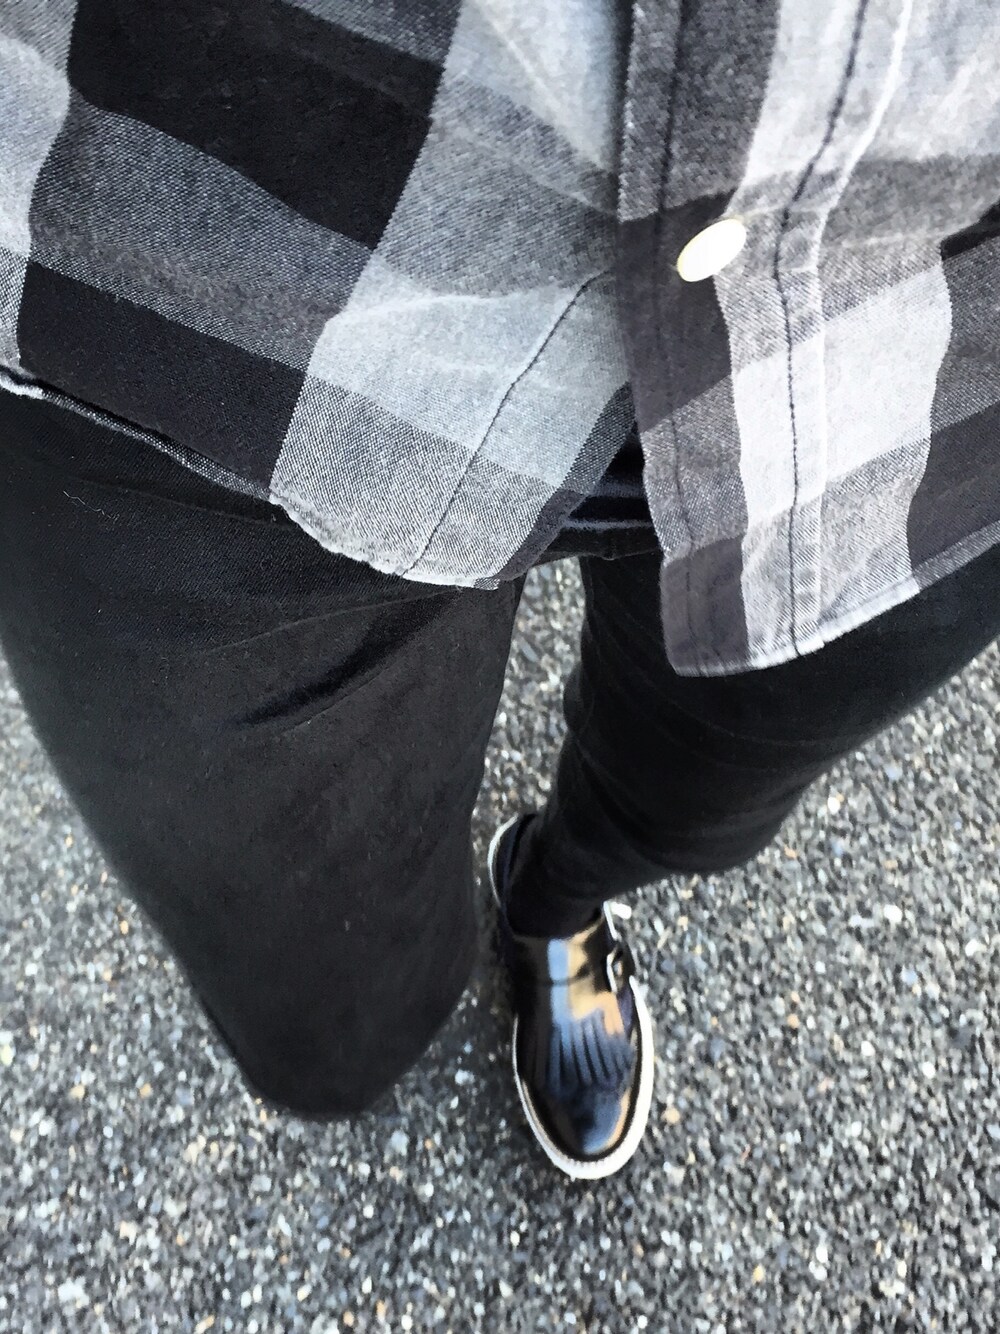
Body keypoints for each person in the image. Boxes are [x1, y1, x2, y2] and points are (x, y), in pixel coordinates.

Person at [2, 1, 999, 1180]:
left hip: (917, 361)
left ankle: (554, 896)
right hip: (208, 281)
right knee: (326, 1018)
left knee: (691, 801)